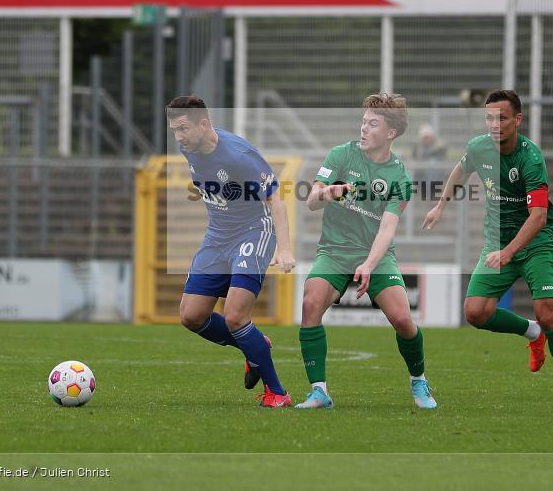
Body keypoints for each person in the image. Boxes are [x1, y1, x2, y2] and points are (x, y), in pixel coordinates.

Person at [423, 89, 553, 401]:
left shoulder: (530, 158)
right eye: (489, 118)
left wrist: (510, 252)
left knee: (547, 312)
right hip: (497, 241)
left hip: (536, 243)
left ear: (517, 120)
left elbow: (537, 216)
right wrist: (441, 205)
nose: (494, 124)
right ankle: (533, 333)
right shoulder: (479, 148)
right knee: (475, 312)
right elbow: (461, 169)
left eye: (502, 118)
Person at [296, 92, 436, 410]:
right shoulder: (341, 155)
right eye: (363, 121)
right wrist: (328, 192)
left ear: (390, 133)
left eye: (373, 124)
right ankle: (319, 392)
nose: (363, 128)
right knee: (310, 303)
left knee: (402, 318)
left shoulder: (399, 176)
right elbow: (311, 201)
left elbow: (387, 228)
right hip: (334, 250)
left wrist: (370, 264)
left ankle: (419, 382)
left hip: (375, 254)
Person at [168, 95, 296, 408]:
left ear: (204, 124)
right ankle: (255, 347)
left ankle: (277, 393)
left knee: (236, 316)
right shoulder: (190, 148)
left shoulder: (239, 155)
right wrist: (200, 191)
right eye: (174, 130)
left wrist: (285, 248)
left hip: (254, 231)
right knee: (191, 316)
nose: (178, 137)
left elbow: (276, 199)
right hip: (217, 236)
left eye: (183, 129)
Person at [411, 123, 449, 187]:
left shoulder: (440, 146)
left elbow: (440, 158)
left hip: (435, 173)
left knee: (431, 163)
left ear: (432, 136)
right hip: (422, 173)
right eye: (424, 137)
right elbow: (415, 158)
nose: (426, 139)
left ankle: (430, 189)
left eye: (428, 137)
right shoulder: (419, 148)